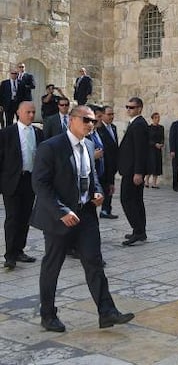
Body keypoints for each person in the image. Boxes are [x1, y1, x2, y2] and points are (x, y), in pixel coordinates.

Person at [30, 104, 134, 333]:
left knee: (94, 261)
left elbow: (92, 176)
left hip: (86, 214)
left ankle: (106, 312)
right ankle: (48, 315)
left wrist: (97, 192)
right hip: (60, 217)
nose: (90, 124)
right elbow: (40, 184)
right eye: (86, 120)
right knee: (52, 266)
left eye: (93, 121)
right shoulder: (51, 147)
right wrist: (61, 211)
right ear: (71, 120)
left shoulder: (89, 145)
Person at [1, 101, 43, 269]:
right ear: (19, 113)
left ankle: (19, 250)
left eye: (33, 112)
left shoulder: (39, 133)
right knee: (13, 218)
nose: (31, 115)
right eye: (28, 112)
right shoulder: (6, 133)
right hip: (12, 181)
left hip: (30, 180)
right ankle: (10, 255)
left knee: (25, 217)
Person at [119, 97, 149, 246]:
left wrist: (138, 172)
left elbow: (140, 150)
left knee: (127, 199)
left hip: (132, 171)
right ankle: (140, 230)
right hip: (131, 169)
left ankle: (137, 230)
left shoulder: (138, 125)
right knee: (136, 200)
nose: (128, 110)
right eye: (127, 107)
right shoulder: (137, 123)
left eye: (132, 107)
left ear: (139, 108)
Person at [96, 105, 119, 219]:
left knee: (110, 187)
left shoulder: (113, 128)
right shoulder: (99, 129)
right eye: (109, 114)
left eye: (112, 114)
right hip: (103, 164)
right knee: (101, 187)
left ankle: (106, 210)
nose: (111, 117)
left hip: (112, 164)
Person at [145, 112, 164, 189]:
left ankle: (154, 183)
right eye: (155, 117)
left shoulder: (161, 128)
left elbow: (162, 138)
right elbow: (147, 139)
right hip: (151, 149)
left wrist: (161, 144)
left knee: (157, 165)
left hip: (158, 149)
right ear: (152, 119)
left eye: (158, 117)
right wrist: (154, 144)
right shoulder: (149, 128)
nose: (157, 119)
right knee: (150, 165)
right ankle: (146, 181)